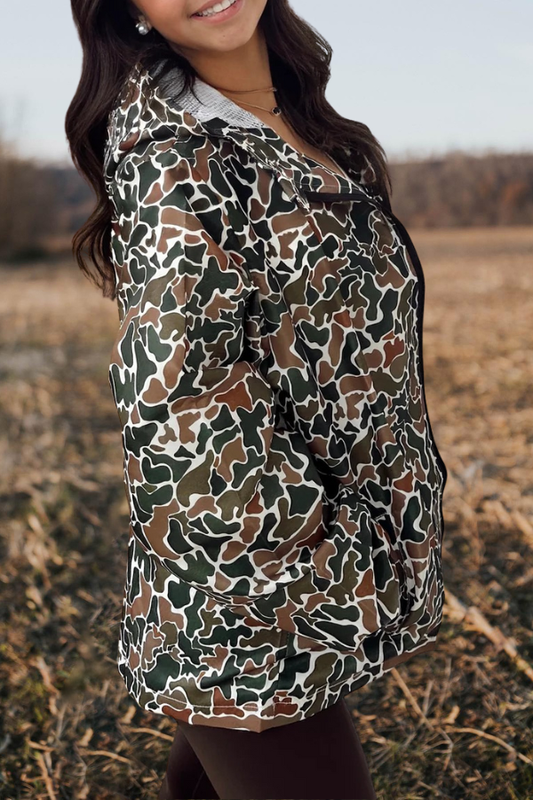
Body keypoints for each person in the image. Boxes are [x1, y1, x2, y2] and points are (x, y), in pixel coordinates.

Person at [66, 1, 448, 798]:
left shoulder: (297, 122)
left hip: (297, 572)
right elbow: (182, 404)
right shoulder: (177, 156)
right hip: (257, 598)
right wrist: (319, 567)